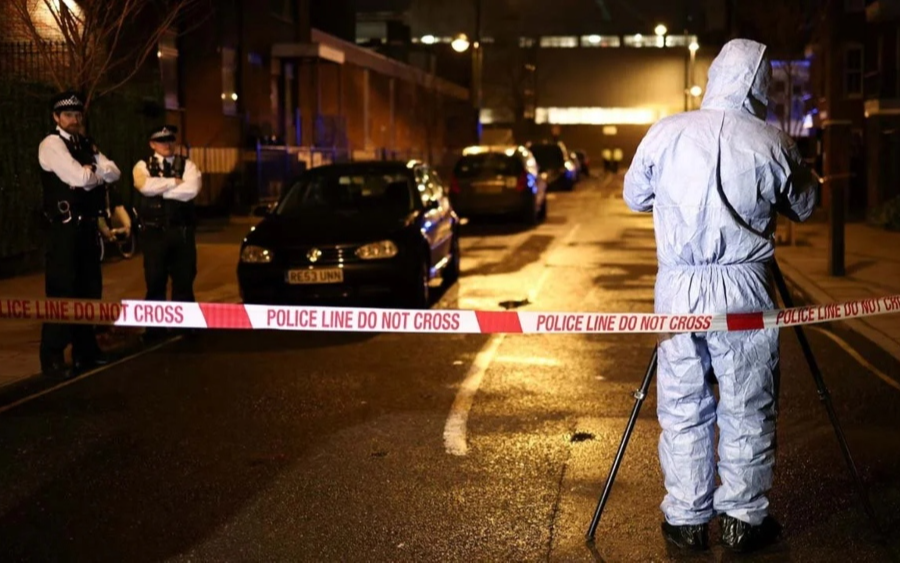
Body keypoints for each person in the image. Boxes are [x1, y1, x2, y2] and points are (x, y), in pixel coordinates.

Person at [623, 39, 817, 553]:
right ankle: (742, 518)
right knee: (747, 401)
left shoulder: (666, 133)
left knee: (683, 400)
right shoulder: (771, 141)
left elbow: (634, 195)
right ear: (759, 85)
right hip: (744, 287)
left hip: (679, 288)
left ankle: (686, 518)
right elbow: (806, 203)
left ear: (714, 77)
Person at [38, 91, 121, 379]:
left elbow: (114, 172)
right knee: (62, 291)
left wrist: (92, 171)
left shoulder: (85, 142)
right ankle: (52, 356)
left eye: (77, 115)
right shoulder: (51, 144)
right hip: (64, 230)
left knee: (89, 290)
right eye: (68, 115)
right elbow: (79, 178)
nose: (74, 119)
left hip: (87, 228)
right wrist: (93, 175)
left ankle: (86, 351)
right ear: (56, 117)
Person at [132, 125, 202, 340]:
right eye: (162, 141)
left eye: (170, 140)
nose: (167, 145)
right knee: (155, 281)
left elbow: (191, 190)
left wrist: (160, 190)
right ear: (152, 144)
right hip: (154, 235)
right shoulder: (142, 165)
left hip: (181, 233)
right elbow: (144, 187)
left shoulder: (187, 165)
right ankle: (155, 329)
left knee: (184, 280)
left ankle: (185, 325)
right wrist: (173, 183)